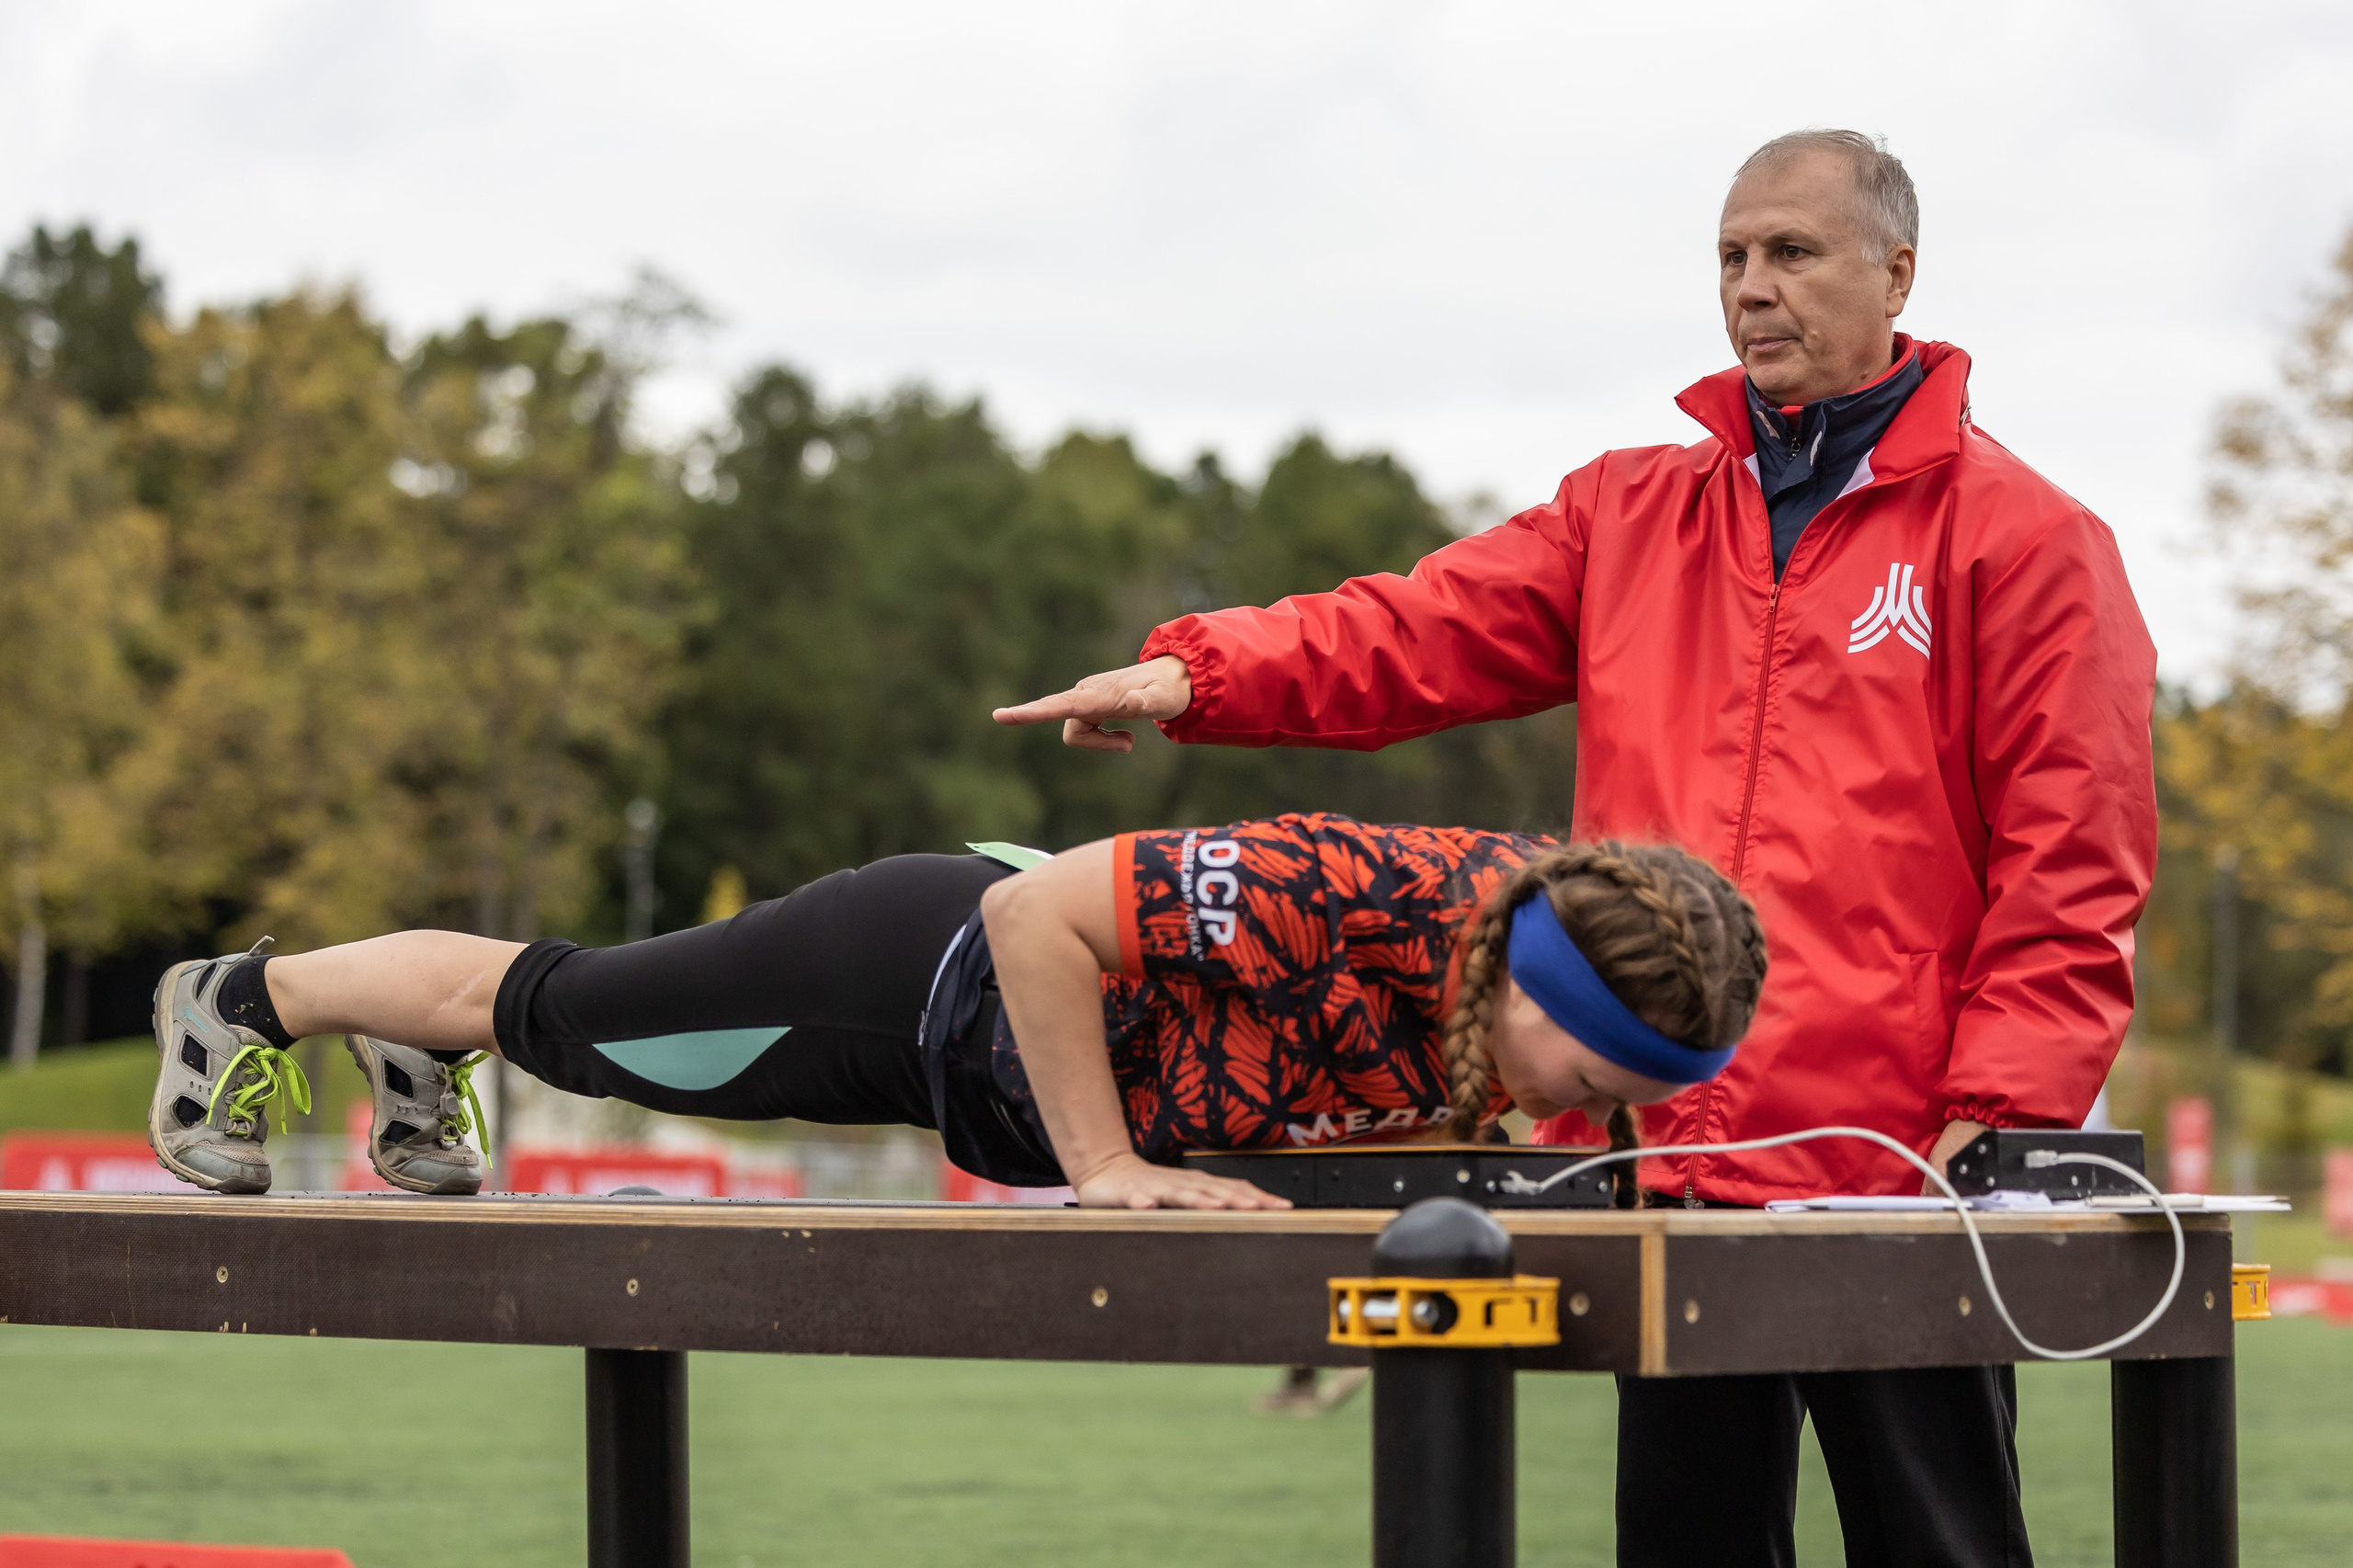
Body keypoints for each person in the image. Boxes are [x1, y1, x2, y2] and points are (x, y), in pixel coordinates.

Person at [995, 131, 2156, 1566]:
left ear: (1897, 271)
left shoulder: (2029, 543)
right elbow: (1409, 628)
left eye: (1790, 253)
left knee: (1938, 1544)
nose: (1751, 288)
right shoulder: (1633, 511)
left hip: (1892, 1173)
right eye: (1730, 258)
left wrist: (1999, 1109)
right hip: (1662, 1158)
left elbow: (2074, 866)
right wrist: (1200, 673)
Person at [147, 815, 1766, 1210]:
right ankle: (241, 996)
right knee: (569, 1015)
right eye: (1582, 1068)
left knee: (552, 1014)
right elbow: (1034, 911)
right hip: (924, 971)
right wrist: (1111, 1165)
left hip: (983, 1068)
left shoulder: (1571, 986)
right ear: (1520, 975)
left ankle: (417, 1047)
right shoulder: (1358, 890)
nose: (1572, 1101)